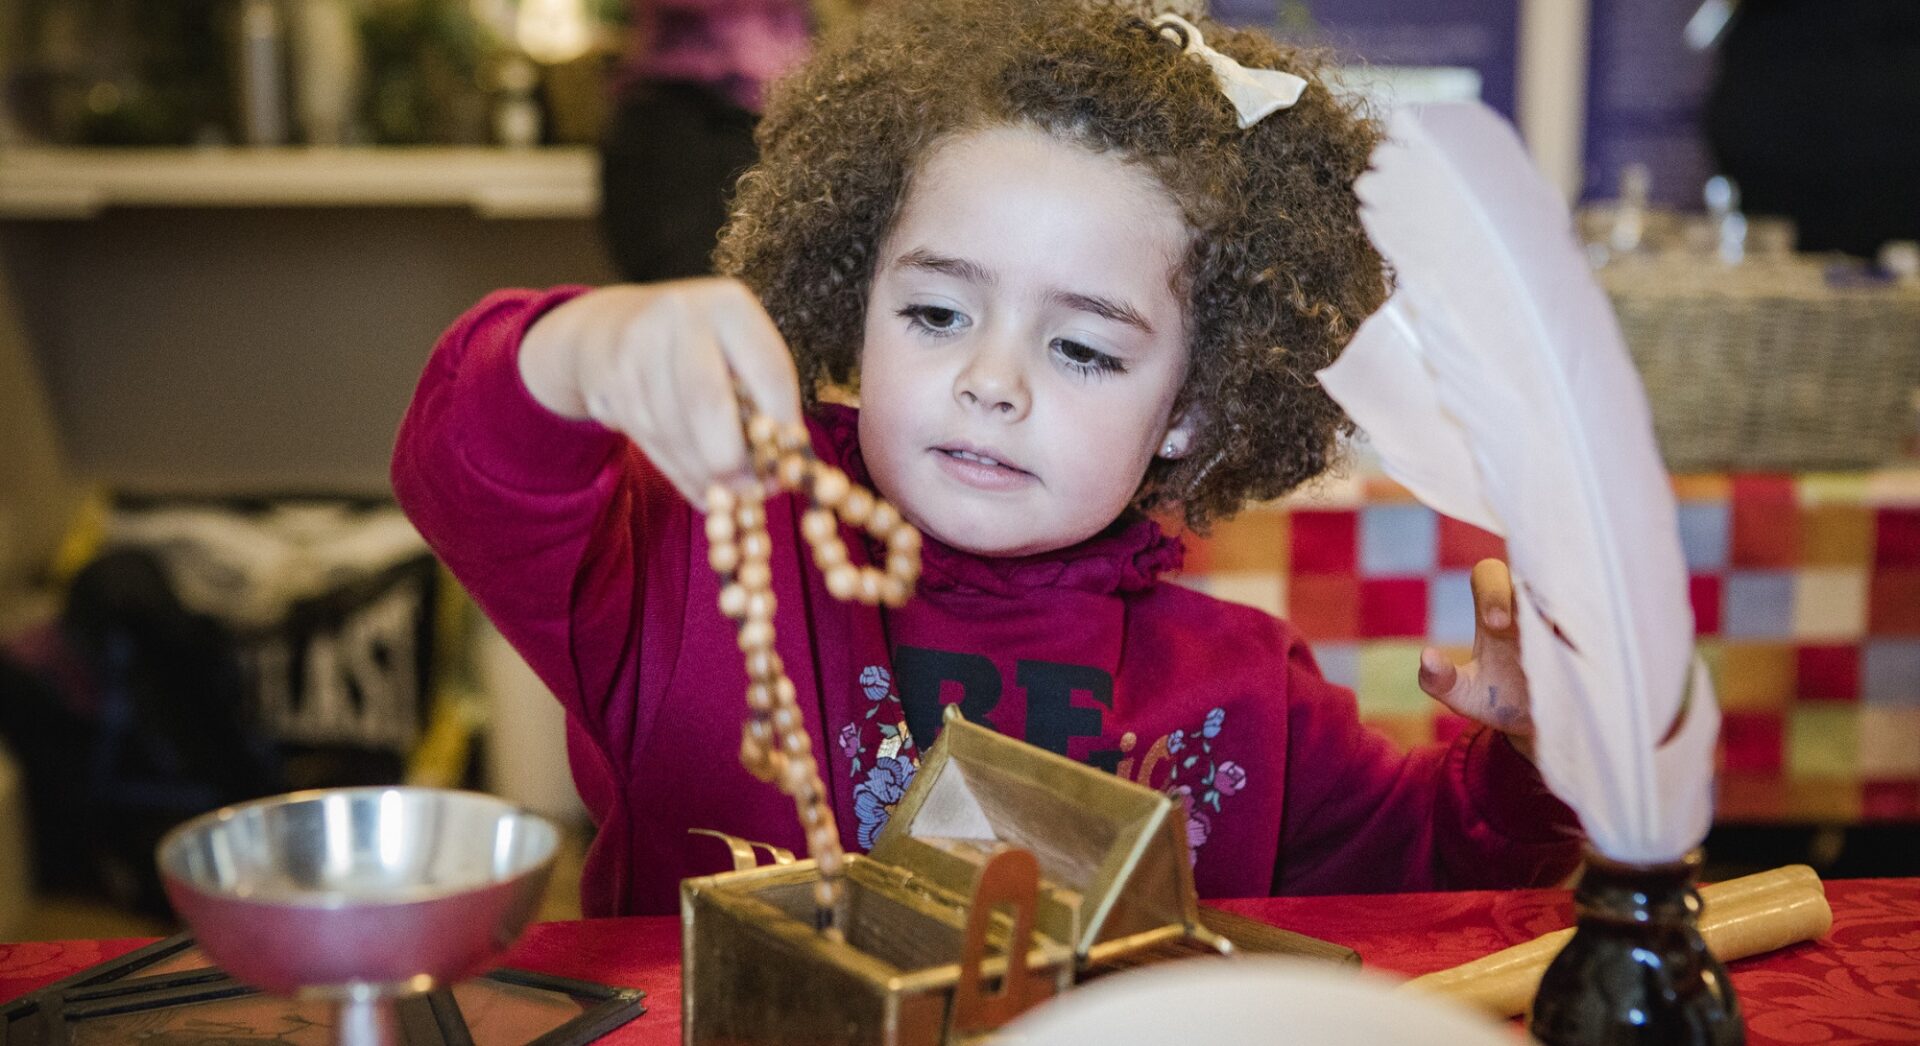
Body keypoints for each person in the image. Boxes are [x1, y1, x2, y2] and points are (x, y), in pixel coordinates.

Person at [395, 0, 1582, 918]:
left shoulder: (1246, 696)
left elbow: (1444, 874)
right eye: (936, 315)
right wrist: (579, 350)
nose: (994, 381)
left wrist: (1533, 754)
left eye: (1080, 347)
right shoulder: (703, 553)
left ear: (1195, 408)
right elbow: (465, 468)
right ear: (853, 298)